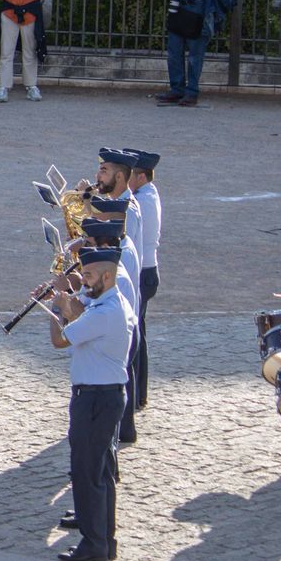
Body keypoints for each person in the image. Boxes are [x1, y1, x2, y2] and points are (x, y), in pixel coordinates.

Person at [45, 247, 134, 561]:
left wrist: (55, 308)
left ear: (108, 277)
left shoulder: (104, 312)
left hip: (95, 399)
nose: (85, 281)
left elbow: (60, 340)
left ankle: (94, 542)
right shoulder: (109, 301)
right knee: (101, 472)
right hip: (104, 396)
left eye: (91, 276)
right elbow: (81, 310)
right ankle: (103, 539)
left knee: (87, 472)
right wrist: (68, 294)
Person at [123, 148, 162, 411]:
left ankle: (136, 394)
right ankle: (139, 394)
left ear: (139, 176)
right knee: (140, 333)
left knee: (135, 335)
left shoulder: (143, 200)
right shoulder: (146, 194)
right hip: (147, 271)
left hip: (143, 272)